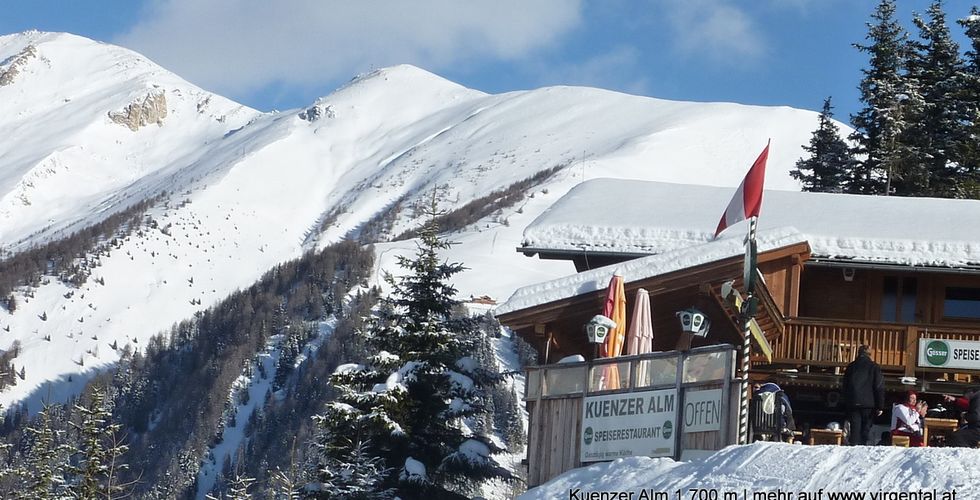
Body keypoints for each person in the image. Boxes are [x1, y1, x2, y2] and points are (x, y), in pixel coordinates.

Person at [841, 345, 884, 445]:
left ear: (858, 353)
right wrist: (880, 405)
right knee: (865, 430)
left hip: (853, 402)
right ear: (870, 354)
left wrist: (846, 401)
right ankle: (863, 448)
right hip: (869, 403)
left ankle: (853, 448)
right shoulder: (874, 367)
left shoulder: (851, 367)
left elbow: (845, 386)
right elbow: (879, 387)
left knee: (855, 430)